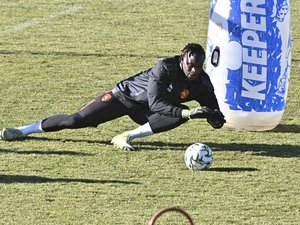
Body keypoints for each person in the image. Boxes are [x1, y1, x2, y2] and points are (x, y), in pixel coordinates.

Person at [0, 43, 226, 150]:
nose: (194, 71)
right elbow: (157, 101)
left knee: (178, 117)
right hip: (124, 96)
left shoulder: (202, 84)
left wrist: (215, 118)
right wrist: (187, 111)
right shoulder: (164, 68)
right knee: (75, 120)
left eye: (198, 67)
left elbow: (215, 112)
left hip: (146, 112)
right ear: (182, 59)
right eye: (190, 65)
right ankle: (24, 130)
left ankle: (125, 136)